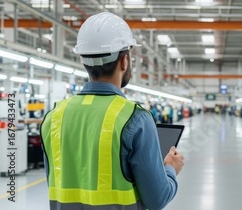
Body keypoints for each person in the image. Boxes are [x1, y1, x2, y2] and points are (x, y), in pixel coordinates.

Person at [41, 12, 184, 210]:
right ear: (124, 61)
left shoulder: (53, 117)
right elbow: (157, 198)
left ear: (84, 62)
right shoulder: (135, 119)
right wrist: (170, 169)